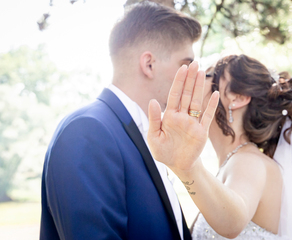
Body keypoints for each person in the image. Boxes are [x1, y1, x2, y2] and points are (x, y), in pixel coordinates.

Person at [147, 54, 292, 239]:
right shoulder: (235, 161)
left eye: (209, 75)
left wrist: (188, 168)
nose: (198, 78)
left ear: (238, 98)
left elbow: (232, 222)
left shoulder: (249, 161)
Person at [39, 2, 201, 239]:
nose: (193, 77)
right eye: (185, 65)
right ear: (149, 64)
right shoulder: (87, 131)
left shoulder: (147, 134)